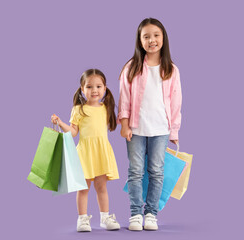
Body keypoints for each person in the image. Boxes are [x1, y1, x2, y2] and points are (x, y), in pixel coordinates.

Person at [118, 18, 182, 231]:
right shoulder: (132, 67)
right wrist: (125, 124)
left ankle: (151, 214)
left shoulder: (171, 69)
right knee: (135, 171)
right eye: (146, 36)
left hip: (161, 129)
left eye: (156, 35)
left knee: (156, 171)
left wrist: (174, 129)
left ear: (163, 38)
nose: (152, 40)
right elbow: (124, 98)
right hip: (136, 128)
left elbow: (176, 102)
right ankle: (135, 213)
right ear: (139, 40)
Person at [51, 69, 120, 232]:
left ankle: (105, 217)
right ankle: (82, 219)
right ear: (82, 89)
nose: (94, 90)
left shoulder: (106, 108)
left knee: (102, 187)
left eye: (98, 86)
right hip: (85, 154)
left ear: (105, 88)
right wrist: (60, 123)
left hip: (101, 152)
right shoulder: (78, 109)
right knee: (83, 188)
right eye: (89, 87)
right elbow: (73, 132)